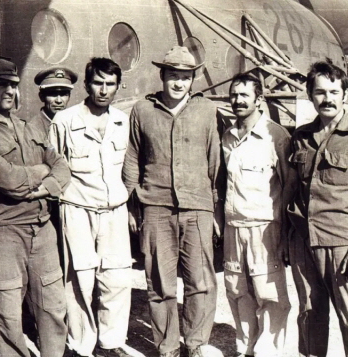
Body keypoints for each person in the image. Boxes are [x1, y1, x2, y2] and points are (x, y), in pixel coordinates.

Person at [0, 56, 70, 357]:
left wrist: (46, 185)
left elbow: (61, 165)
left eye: (13, 85)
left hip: (43, 229)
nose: (10, 91)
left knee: (54, 309)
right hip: (5, 234)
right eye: (2, 85)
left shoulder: (27, 127)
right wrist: (41, 172)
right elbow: (12, 183)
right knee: (9, 317)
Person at [122, 46, 222, 357]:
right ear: (162, 76)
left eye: (186, 77)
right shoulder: (143, 110)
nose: (179, 83)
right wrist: (132, 203)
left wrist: (214, 208)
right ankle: (167, 347)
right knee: (160, 282)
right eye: (173, 76)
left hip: (197, 208)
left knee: (200, 281)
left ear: (193, 80)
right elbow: (133, 158)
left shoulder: (207, 111)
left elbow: (215, 162)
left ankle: (195, 344)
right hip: (156, 207)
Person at [288, 60, 348, 357]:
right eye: (319, 92)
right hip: (304, 243)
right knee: (309, 315)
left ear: (345, 95)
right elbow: (291, 191)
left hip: (341, 244)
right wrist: (287, 241)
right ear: (310, 95)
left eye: (333, 91)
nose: (327, 98)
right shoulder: (300, 137)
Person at [49, 57, 133, 357]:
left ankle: (112, 342)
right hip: (77, 208)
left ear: (118, 87)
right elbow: (54, 165)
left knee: (118, 278)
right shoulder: (65, 121)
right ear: (86, 85)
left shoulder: (123, 121)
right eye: (98, 83)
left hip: (114, 210)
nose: (104, 90)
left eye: (110, 84)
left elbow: (130, 168)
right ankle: (82, 346)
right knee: (80, 278)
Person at [221, 73, 294, 357]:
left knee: (270, 295)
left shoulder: (277, 137)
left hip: (265, 228)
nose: (237, 101)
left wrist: (284, 233)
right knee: (238, 291)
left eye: (244, 95)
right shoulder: (227, 136)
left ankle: (269, 352)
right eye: (234, 95)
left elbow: (288, 186)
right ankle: (245, 348)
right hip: (233, 227)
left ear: (259, 100)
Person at [34, 66, 77, 131]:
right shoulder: (32, 129)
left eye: (63, 94)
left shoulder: (74, 125)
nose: (59, 101)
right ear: (42, 97)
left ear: (69, 96)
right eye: (53, 94)